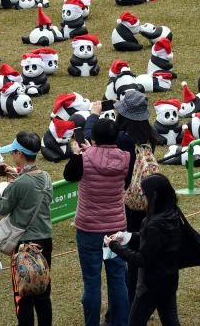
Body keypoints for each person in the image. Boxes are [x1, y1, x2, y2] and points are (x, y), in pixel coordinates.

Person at [84, 89, 161, 305]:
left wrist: (93, 114)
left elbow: (94, 137)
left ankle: (127, 305)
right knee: (138, 251)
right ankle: (137, 298)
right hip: (144, 200)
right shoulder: (149, 135)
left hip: (125, 201)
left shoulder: (122, 140)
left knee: (124, 256)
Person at [63, 117, 131, 326]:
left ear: (93, 138)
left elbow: (68, 175)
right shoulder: (125, 158)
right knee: (118, 279)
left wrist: (79, 153)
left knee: (92, 283)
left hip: (89, 229)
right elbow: (124, 180)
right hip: (117, 228)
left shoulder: (84, 158)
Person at [0, 131, 53, 326]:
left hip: (24, 245)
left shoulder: (21, 184)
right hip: (45, 241)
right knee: (42, 290)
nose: (12, 155)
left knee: (23, 295)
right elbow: (33, 185)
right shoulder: (46, 176)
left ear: (19, 154)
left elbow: (1, 208)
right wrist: (15, 173)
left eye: (13, 152)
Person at [106, 174, 184, 326]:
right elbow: (151, 240)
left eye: (144, 194)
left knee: (135, 322)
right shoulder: (173, 214)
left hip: (150, 286)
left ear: (154, 196)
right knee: (170, 320)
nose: (142, 198)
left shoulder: (153, 224)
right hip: (169, 279)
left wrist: (114, 246)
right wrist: (126, 237)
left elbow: (142, 259)